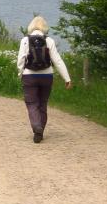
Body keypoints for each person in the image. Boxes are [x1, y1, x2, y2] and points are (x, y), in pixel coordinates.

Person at [16, 15, 72, 143]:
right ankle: (40, 131)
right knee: (43, 103)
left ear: (31, 27)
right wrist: (67, 78)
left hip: (29, 76)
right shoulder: (49, 41)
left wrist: (20, 73)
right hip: (47, 76)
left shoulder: (25, 40)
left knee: (32, 103)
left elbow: (21, 59)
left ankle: (37, 127)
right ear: (44, 27)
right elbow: (57, 61)